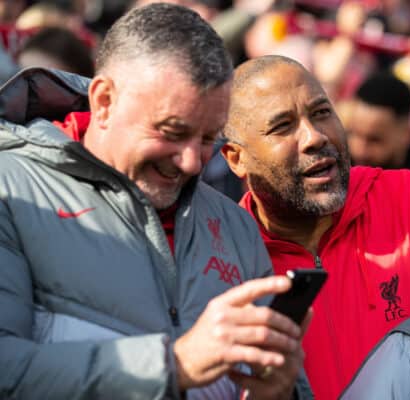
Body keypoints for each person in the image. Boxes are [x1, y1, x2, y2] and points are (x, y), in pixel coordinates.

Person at [0, 4, 311, 400]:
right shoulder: (10, 187)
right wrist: (173, 365)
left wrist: (279, 392)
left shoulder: (235, 226)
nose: (191, 161)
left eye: (207, 139)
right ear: (104, 101)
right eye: (172, 131)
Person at [221, 55, 410, 399]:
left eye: (321, 113)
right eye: (283, 126)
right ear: (236, 159)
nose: (314, 137)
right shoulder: (220, 263)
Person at [344, 70, 410, 180]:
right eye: (353, 133)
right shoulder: (333, 180)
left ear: (406, 135)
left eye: (374, 140)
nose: (359, 150)